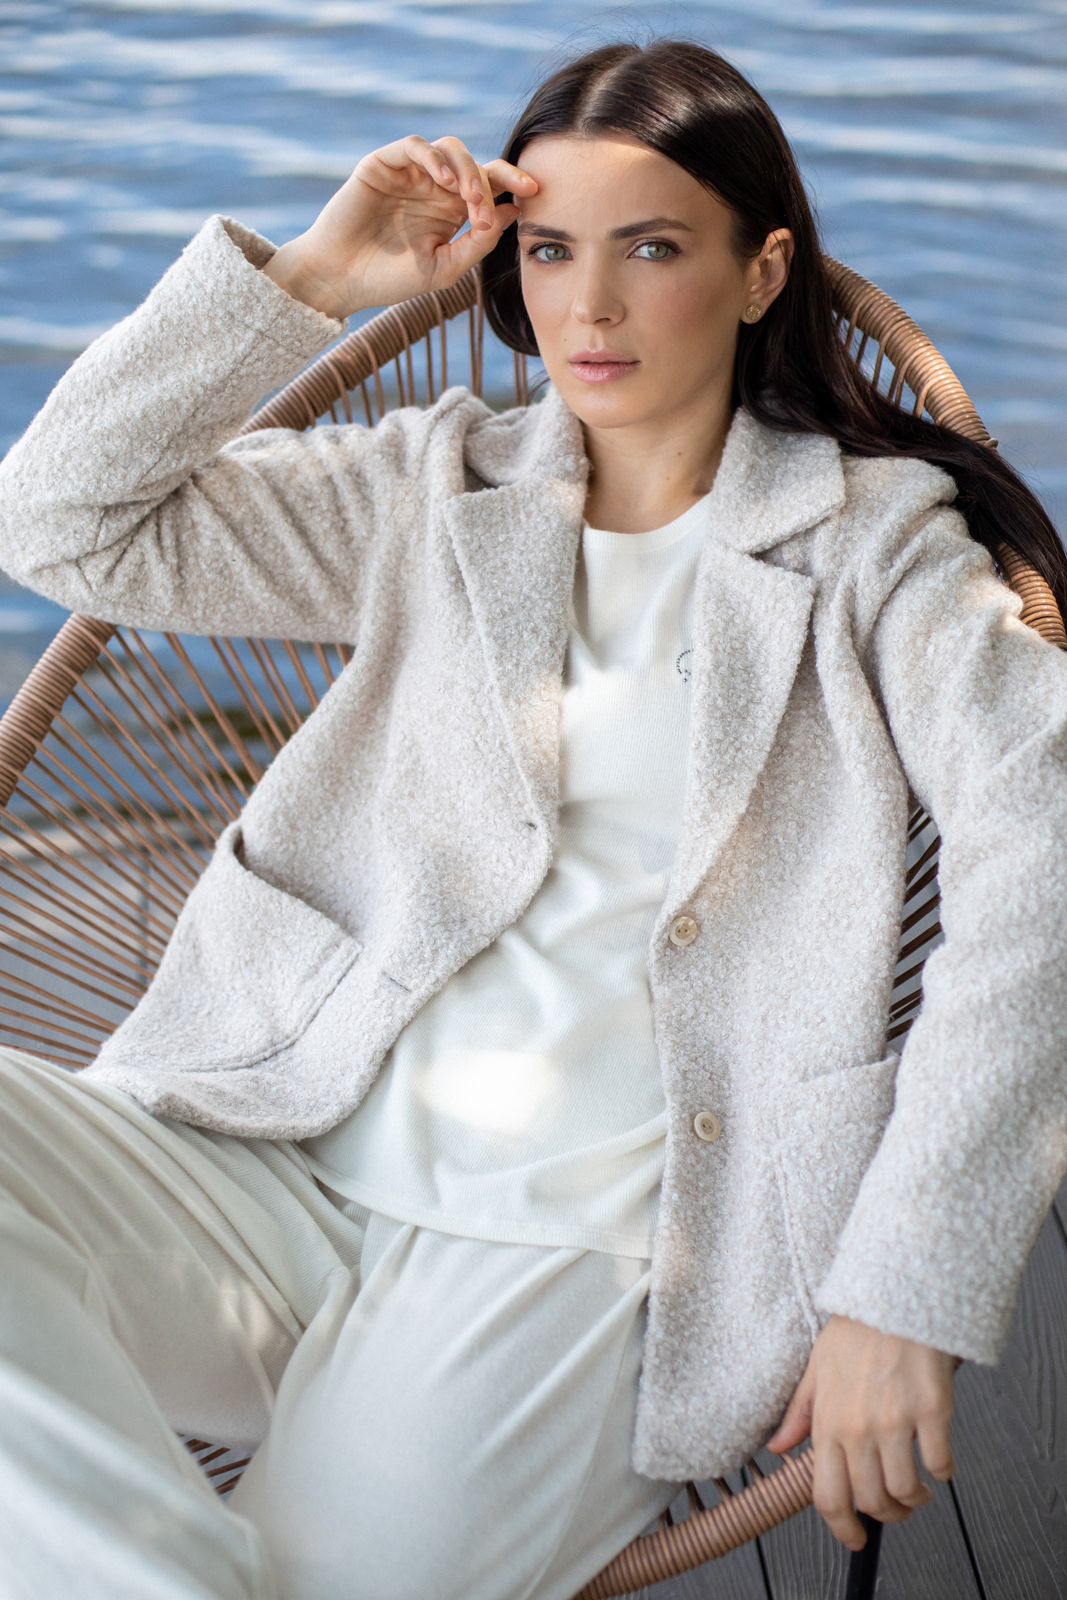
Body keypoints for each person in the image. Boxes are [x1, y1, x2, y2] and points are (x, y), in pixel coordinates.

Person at [0, 36, 1066, 1600]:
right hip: (268, 1149)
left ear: (765, 271)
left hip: (577, 1249)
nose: (591, 306)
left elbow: (1046, 851)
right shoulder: (437, 488)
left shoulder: (875, 550)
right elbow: (60, 520)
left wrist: (907, 1287)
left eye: (654, 250)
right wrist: (312, 278)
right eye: (553, 249)